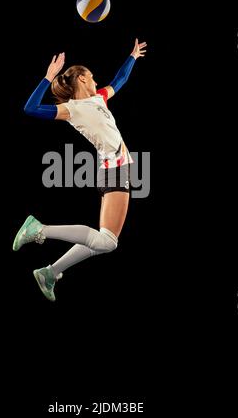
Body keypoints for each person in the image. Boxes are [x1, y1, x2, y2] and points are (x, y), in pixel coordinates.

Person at [13, 39, 147, 301]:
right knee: (107, 242)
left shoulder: (99, 98)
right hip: (114, 167)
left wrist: (132, 57)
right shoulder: (71, 109)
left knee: (102, 241)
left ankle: (49, 273)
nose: (96, 80)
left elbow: (119, 81)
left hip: (116, 168)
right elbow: (30, 108)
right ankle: (39, 230)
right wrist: (47, 77)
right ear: (82, 79)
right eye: (92, 77)